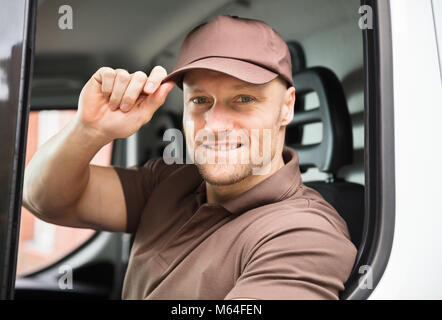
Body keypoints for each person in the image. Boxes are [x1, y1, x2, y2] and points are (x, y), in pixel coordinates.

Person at [23, 15, 357, 300]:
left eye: (243, 98)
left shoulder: (304, 235)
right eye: (200, 101)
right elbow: (42, 197)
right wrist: (89, 129)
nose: (215, 124)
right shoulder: (169, 181)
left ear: (286, 107)